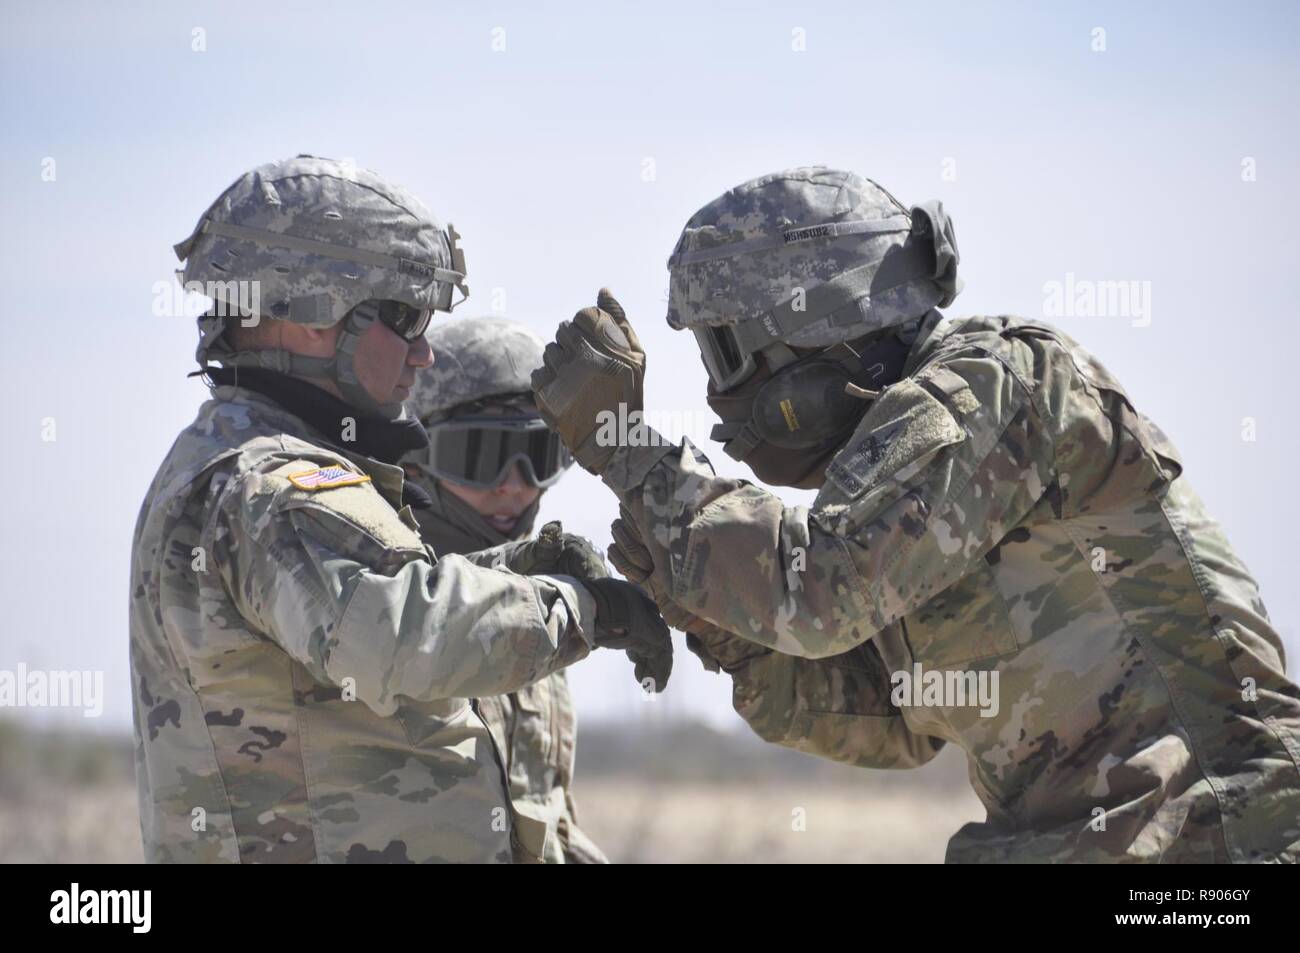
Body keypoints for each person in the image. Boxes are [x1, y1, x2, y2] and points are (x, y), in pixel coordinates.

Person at [531, 166, 1300, 862]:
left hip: (1218, 842)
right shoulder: (913, 495)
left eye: (723, 354)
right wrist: (717, 621)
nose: (713, 396)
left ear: (813, 323)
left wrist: (629, 452)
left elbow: (823, 591)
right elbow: (893, 718)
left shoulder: (998, 384)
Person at [129, 155, 671, 863]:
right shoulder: (271, 485)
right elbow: (401, 634)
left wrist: (520, 567)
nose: (422, 357)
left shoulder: (265, 469)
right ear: (308, 315)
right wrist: (586, 608)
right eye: (405, 319)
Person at [400, 316, 608, 863]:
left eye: (537, 457)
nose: (513, 485)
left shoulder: (540, 605)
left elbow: (548, 825)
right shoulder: (384, 599)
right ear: (417, 462)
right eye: (479, 458)